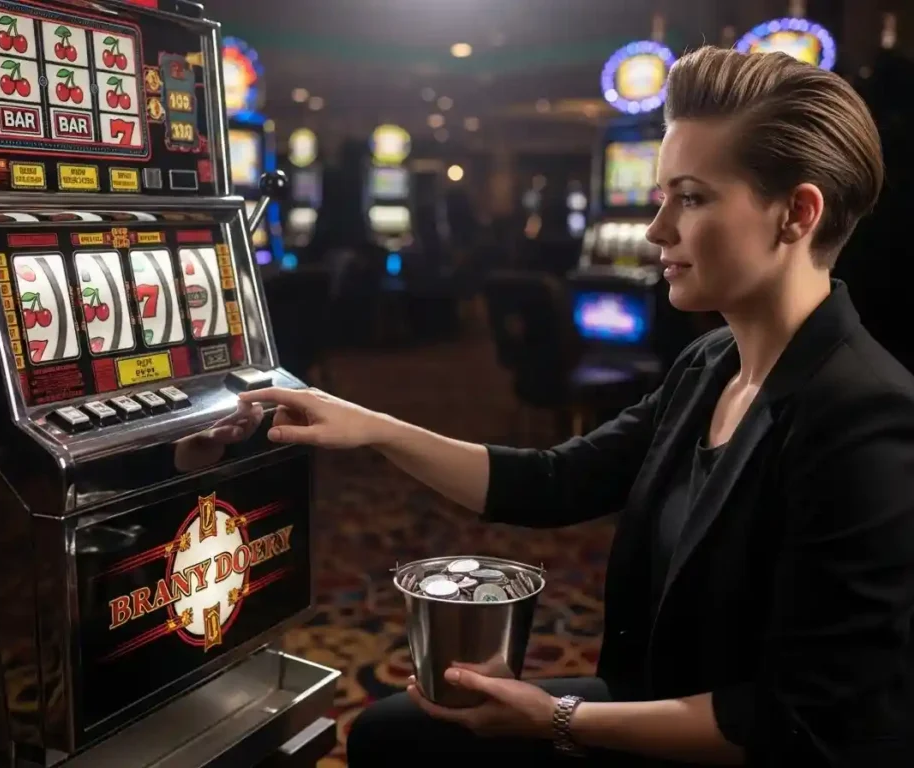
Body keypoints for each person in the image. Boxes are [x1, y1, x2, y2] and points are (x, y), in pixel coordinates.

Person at [239, 46, 914, 766]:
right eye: (659, 197)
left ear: (797, 214)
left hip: (746, 747)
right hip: (658, 697)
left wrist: (558, 719)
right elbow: (553, 481)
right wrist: (371, 427)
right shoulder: (710, 364)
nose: (656, 230)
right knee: (392, 730)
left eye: (691, 197)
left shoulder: (866, 420)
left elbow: (797, 721)